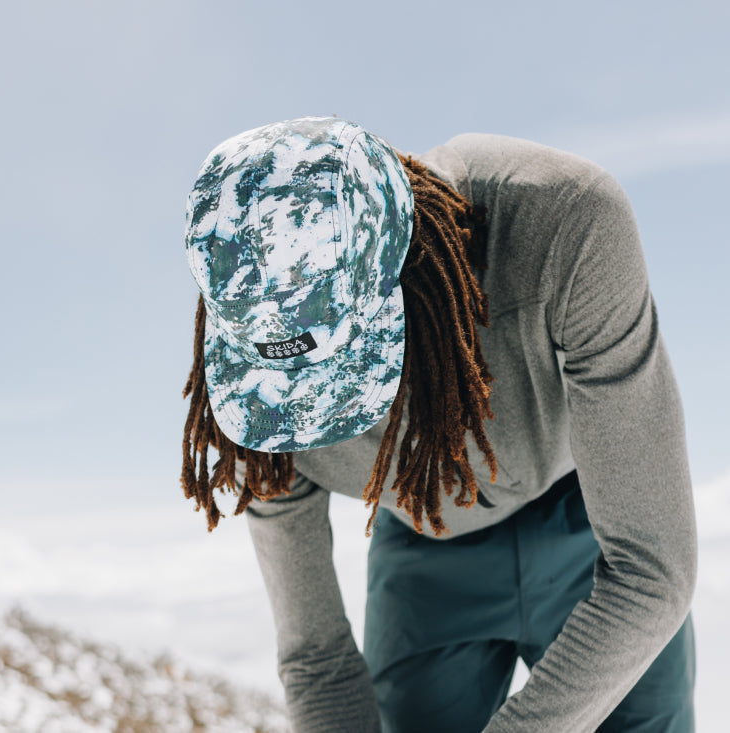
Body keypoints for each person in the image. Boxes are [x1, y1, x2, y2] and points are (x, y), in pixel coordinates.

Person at [180, 116, 697, 733]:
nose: (309, 413)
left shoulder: (567, 221)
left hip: (596, 523)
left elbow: (650, 569)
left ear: (411, 266)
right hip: (424, 543)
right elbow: (316, 657)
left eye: (340, 367)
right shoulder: (250, 386)